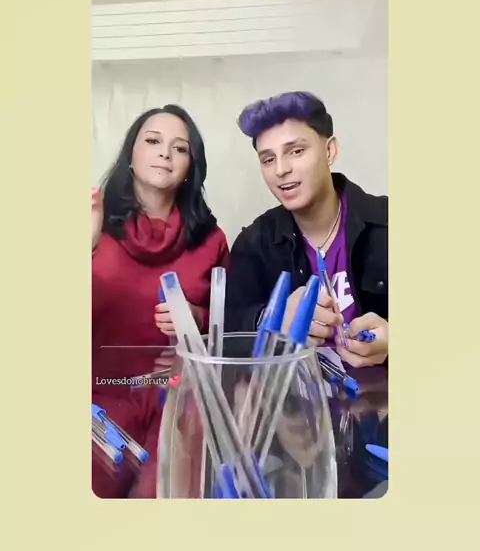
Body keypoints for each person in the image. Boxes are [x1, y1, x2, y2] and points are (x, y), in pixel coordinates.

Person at [92, 105, 229, 497]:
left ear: (191, 167)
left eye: (180, 148)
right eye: (153, 141)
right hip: (98, 399)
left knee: (166, 507)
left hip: (181, 403)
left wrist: (197, 321)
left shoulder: (213, 240)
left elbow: (230, 331)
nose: (165, 153)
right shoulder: (90, 223)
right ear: (131, 155)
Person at [225, 91, 388, 369]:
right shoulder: (254, 243)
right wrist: (271, 319)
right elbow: (227, 332)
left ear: (330, 151)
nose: (281, 170)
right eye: (268, 159)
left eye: (296, 151)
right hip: (293, 395)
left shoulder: (388, 223)